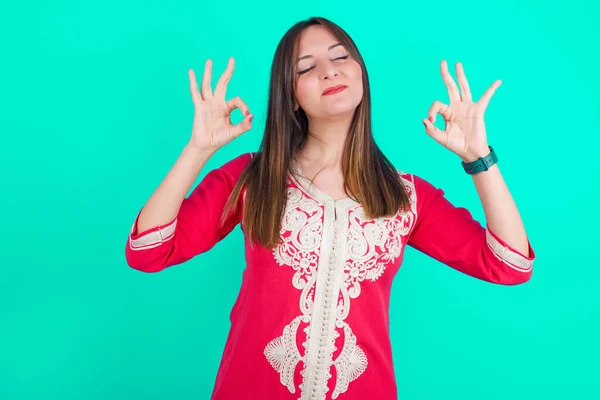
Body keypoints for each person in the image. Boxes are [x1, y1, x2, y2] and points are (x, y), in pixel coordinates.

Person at [124, 16, 535, 400]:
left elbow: (511, 265)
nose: (329, 70)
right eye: (306, 67)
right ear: (292, 96)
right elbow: (147, 252)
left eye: (341, 56)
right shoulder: (253, 177)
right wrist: (198, 150)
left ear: (361, 75)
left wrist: (478, 157)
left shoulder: (405, 196)